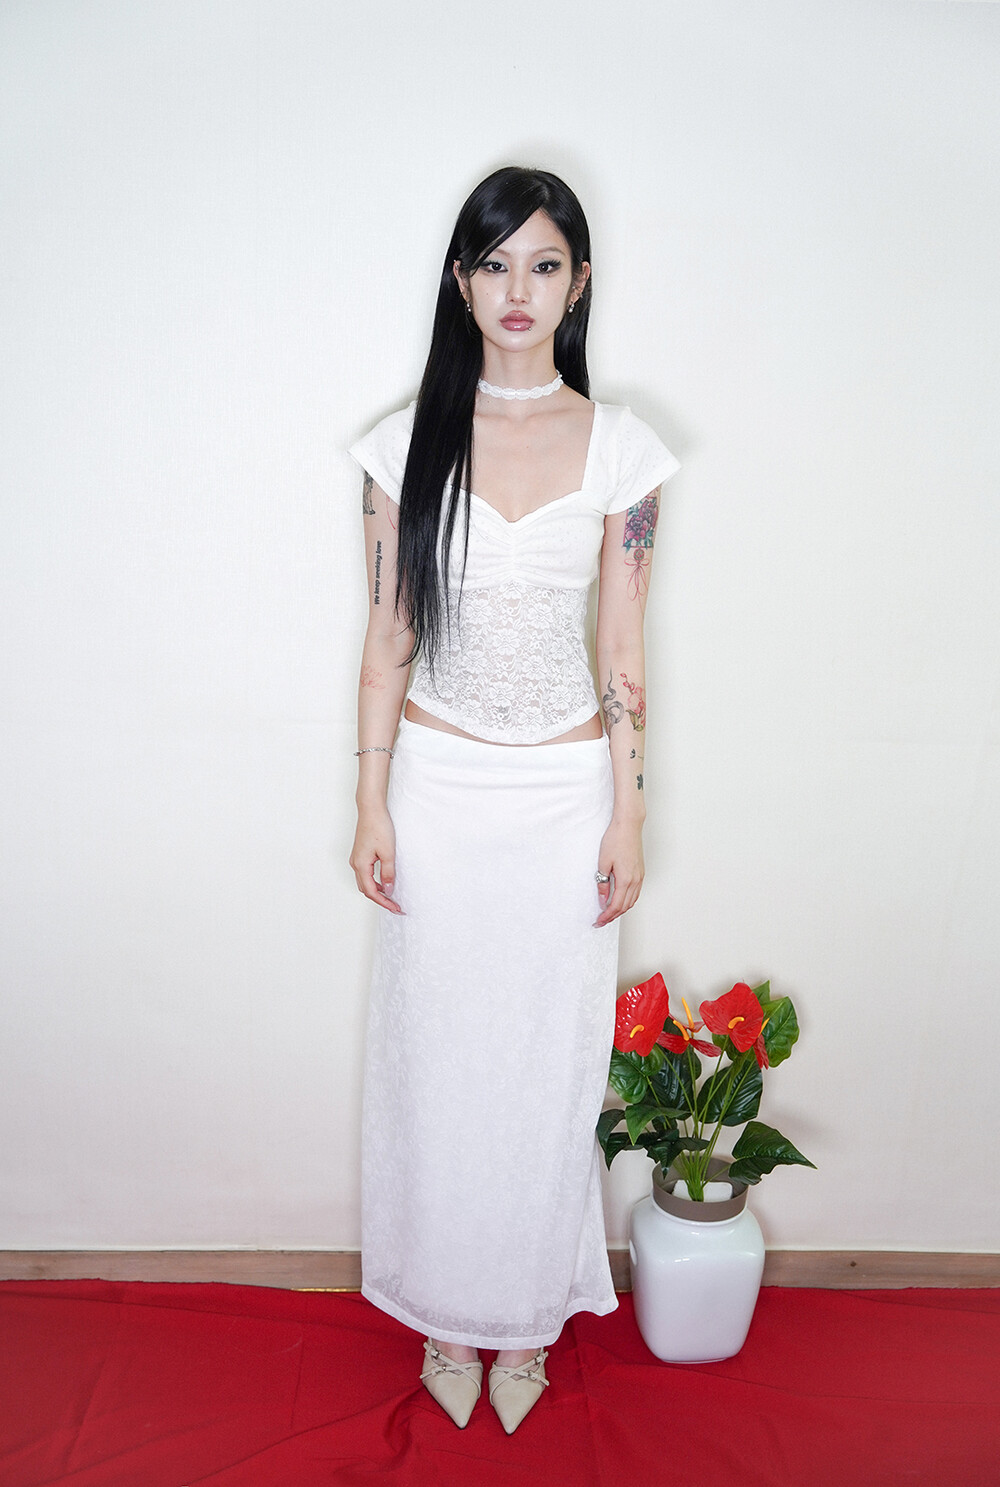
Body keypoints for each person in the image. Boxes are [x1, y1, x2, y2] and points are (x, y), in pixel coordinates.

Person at [348, 166, 679, 1433]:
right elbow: (386, 636)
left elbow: (623, 649)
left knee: (546, 1063)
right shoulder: (402, 444)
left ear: (578, 283)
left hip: (561, 799)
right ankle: (445, 1311)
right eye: (495, 264)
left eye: (544, 264)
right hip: (437, 790)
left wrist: (629, 812)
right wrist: (371, 801)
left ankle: (529, 1315)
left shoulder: (624, 448)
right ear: (462, 282)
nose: (518, 289)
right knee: (438, 1059)